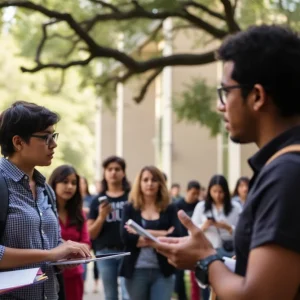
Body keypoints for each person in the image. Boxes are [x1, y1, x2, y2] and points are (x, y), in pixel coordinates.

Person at [151, 25, 300, 299]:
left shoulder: (287, 175)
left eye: (225, 92)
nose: (221, 106)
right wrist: (213, 260)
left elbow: (260, 295)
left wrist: (206, 258)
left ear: (257, 96)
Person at [0, 101, 90, 300]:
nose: (54, 144)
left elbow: (53, 242)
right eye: (45, 137)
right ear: (18, 142)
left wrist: (66, 254)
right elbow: (49, 253)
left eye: (54, 136)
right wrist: (50, 255)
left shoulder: (45, 188)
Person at [120, 166, 181, 300]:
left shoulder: (169, 208)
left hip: (163, 270)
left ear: (160, 183)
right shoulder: (130, 208)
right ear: (139, 183)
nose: (149, 183)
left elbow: (177, 235)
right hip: (136, 270)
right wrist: (163, 234)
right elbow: (126, 238)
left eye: (154, 180)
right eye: (145, 180)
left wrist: (143, 234)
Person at [192, 175, 241, 300]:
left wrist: (228, 227)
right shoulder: (201, 207)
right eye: (214, 191)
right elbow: (191, 231)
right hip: (208, 252)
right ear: (209, 191)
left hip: (229, 253)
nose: (218, 195)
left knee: (229, 289)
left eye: (221, 191)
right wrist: (203, 226)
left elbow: (243, 234)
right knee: (208, 288)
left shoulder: (235, 207)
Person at [88, 156, 130, 300]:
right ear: (105, 173)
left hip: (128, 251)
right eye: (109, 169)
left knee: (128, 295)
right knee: (110, 295)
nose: (113, 172)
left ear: (123, 173)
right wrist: (102, 216)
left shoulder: (131, 198)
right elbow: (91, 234)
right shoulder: (96, 200)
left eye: (117, 169)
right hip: (105, 252)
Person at [48, 165, 91, 300]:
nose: (70, 187)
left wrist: (76, 253)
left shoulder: (79, 214)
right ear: (54, 183)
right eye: (65, 181)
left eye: (74, 183)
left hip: (74, 273)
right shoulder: (45, 211)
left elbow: (86, 242)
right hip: (50, 275)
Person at [174, 180, 201, 300]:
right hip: (181, 240)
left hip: (195, 242)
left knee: (196, 275)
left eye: (197, 194)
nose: (195, 196)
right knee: (179, 274)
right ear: (187, 191)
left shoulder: (199, 205)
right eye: (193, 193)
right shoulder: (178, 204)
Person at [79, 176, 100, 293]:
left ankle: (96, 283)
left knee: (95, 259)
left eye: (83, 183)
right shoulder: (74, 199)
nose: (81, 185)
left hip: (91, 231)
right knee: (83, 260)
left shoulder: (92, 198)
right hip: (81, 232)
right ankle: (83, 283)